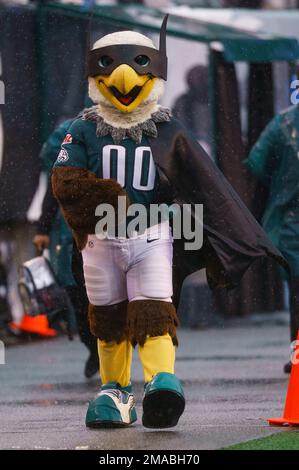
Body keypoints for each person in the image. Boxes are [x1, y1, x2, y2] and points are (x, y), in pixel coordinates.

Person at [51, 16, 286, 429]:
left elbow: (200, 180)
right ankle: (116, 390)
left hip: (150, 234)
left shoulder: (164, 127)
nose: (123, 78)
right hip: (100, 240)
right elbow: (65, 181)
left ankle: (160, 379)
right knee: (108, 317)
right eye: (109, 66)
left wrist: (196, 220)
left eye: (137, 65)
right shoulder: (83, 129)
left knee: (155, 309)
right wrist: (105, 198)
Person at [33, 115, 98, 379]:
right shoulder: (70, 138)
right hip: (73, 234)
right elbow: (55, 188)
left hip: (93, 231)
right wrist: (42, 228)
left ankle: (101, 347)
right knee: (80, 299)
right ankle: (95, 347)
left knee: (89, 299)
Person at [244, 105, 299, 374]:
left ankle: (297, 351)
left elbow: (257, 163)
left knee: (298, 292)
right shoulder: (283, 124)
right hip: (290, 220)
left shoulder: (283, 124)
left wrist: (279, 181)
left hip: (290, 218)